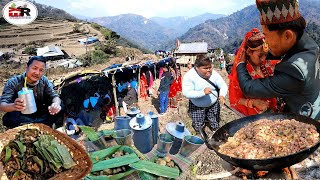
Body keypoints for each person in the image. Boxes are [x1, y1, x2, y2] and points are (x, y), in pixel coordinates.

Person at [236, 0, 320, 119]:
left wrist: (240, 63)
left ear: (287, 36)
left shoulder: (295, 70)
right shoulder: (308, 44)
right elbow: (280, 50)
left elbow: (249, 88)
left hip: (306, 120)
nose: (266, 42)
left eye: (266, 36)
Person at [0, 56, 63, 128]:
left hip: (39, 111)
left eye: (41, 70)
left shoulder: (44, 81)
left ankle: (34, 125)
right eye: (34, 68)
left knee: (61, 107)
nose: (37, 73)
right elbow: (2, 105)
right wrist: (14, 106)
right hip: (21, 114)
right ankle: (39, 125)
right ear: (27, 67)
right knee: (9, 119)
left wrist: (55, 104)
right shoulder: (14, 82)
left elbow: (54, 96)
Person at [229, 28, 279, 116]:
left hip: (271, 110)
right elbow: (235, 98)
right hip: (252, 115)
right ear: (248, 52)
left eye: (265, 55)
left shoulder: (268, 65)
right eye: (260, 55)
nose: (263, 59)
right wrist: (254, 102)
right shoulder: (241, 73)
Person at [182, 55, 228, 133]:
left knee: (214, 120)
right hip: (197, 105)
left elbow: (223, 85)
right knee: (198, 123)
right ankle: (200, 133)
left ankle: (215, 130)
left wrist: (222, 95)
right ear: (197, 68)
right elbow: (186, 92)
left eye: (210, 67)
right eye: (205, 68)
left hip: (213, 103)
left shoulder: (214, 74)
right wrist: (202, 93)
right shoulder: (189, 76)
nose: (209, 70)